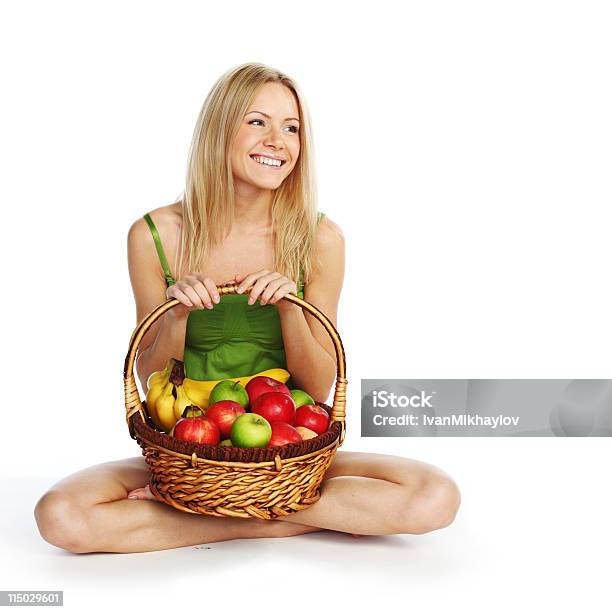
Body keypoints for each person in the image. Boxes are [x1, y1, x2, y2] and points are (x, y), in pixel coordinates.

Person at [33, 63, 461, 554]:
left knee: (435, 497)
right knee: (61, 516)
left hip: (287, 446)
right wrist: (176, 316)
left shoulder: (319, 239)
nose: (277, 140)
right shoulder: (157, 235)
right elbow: (152, 378)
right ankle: (274, 515)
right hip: (189, 450)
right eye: (258, 121)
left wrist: (289, 309)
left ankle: (215, 515)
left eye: (292, 127)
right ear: (220, 130)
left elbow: (319, 385)